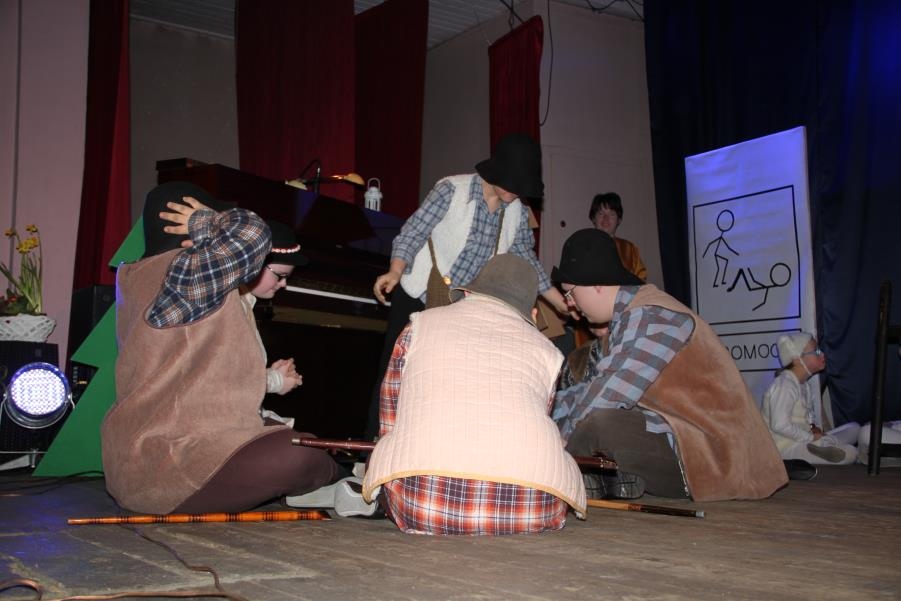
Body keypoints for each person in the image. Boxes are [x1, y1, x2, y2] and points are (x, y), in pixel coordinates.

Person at [101, 181, 339, 514]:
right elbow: (254, 234)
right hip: (168, 465)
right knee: (300, 453)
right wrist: (209, 221)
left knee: (298, 439)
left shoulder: (146, 277)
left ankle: (331, 480)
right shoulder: (183, 272)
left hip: (150, 459)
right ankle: (345, 481)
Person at [552, 228, 788, 501]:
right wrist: (544, 418)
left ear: (596, 283)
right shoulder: (629, 318)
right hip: (682, 436)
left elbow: (608, 394)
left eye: (570, 293)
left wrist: (557, 444)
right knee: (595, 421)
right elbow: (589, 390)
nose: (570, 304)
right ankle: (606, 478)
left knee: (599, 423)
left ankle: (566, 474)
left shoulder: (651, 316)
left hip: (718, 455)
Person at [362, 254, 586, 535]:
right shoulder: (549, 352)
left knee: (382, 454)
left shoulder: (419, 325)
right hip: (534, 511)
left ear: (468, 293)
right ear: (532, 315)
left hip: (421, 507)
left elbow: (389, 417)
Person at [367, 133, 569, 438]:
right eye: (512, 184)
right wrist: (395, 271)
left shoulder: (515, 210)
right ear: (496, 172)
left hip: (459, 309)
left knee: (439, 378)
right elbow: (413, 232)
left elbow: (526, 259)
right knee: (395, 373)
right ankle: (373, 445)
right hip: (417, 294)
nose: (515, 192)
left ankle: (424, 443)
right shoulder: (452, 190)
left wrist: (558, 301)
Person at [761, 333, 858, 465]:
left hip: (804, 440)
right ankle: (824, 447)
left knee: (854, 428)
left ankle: (825, 445)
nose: (822, 354)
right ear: (797, 359)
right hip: (785, 448)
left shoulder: (804, 385)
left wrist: (813, 428)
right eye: (816, 351)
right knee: (851, 452)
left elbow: (804, 417)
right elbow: (779, 425)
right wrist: (811, 437)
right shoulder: (784, 385)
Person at [589, 192, 647, 281]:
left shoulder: (629, 248)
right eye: (601, 213)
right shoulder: (583, 246)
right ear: (593, 218)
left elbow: (641, 278)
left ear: (619, 220)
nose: (606, 218)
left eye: (612, 214)